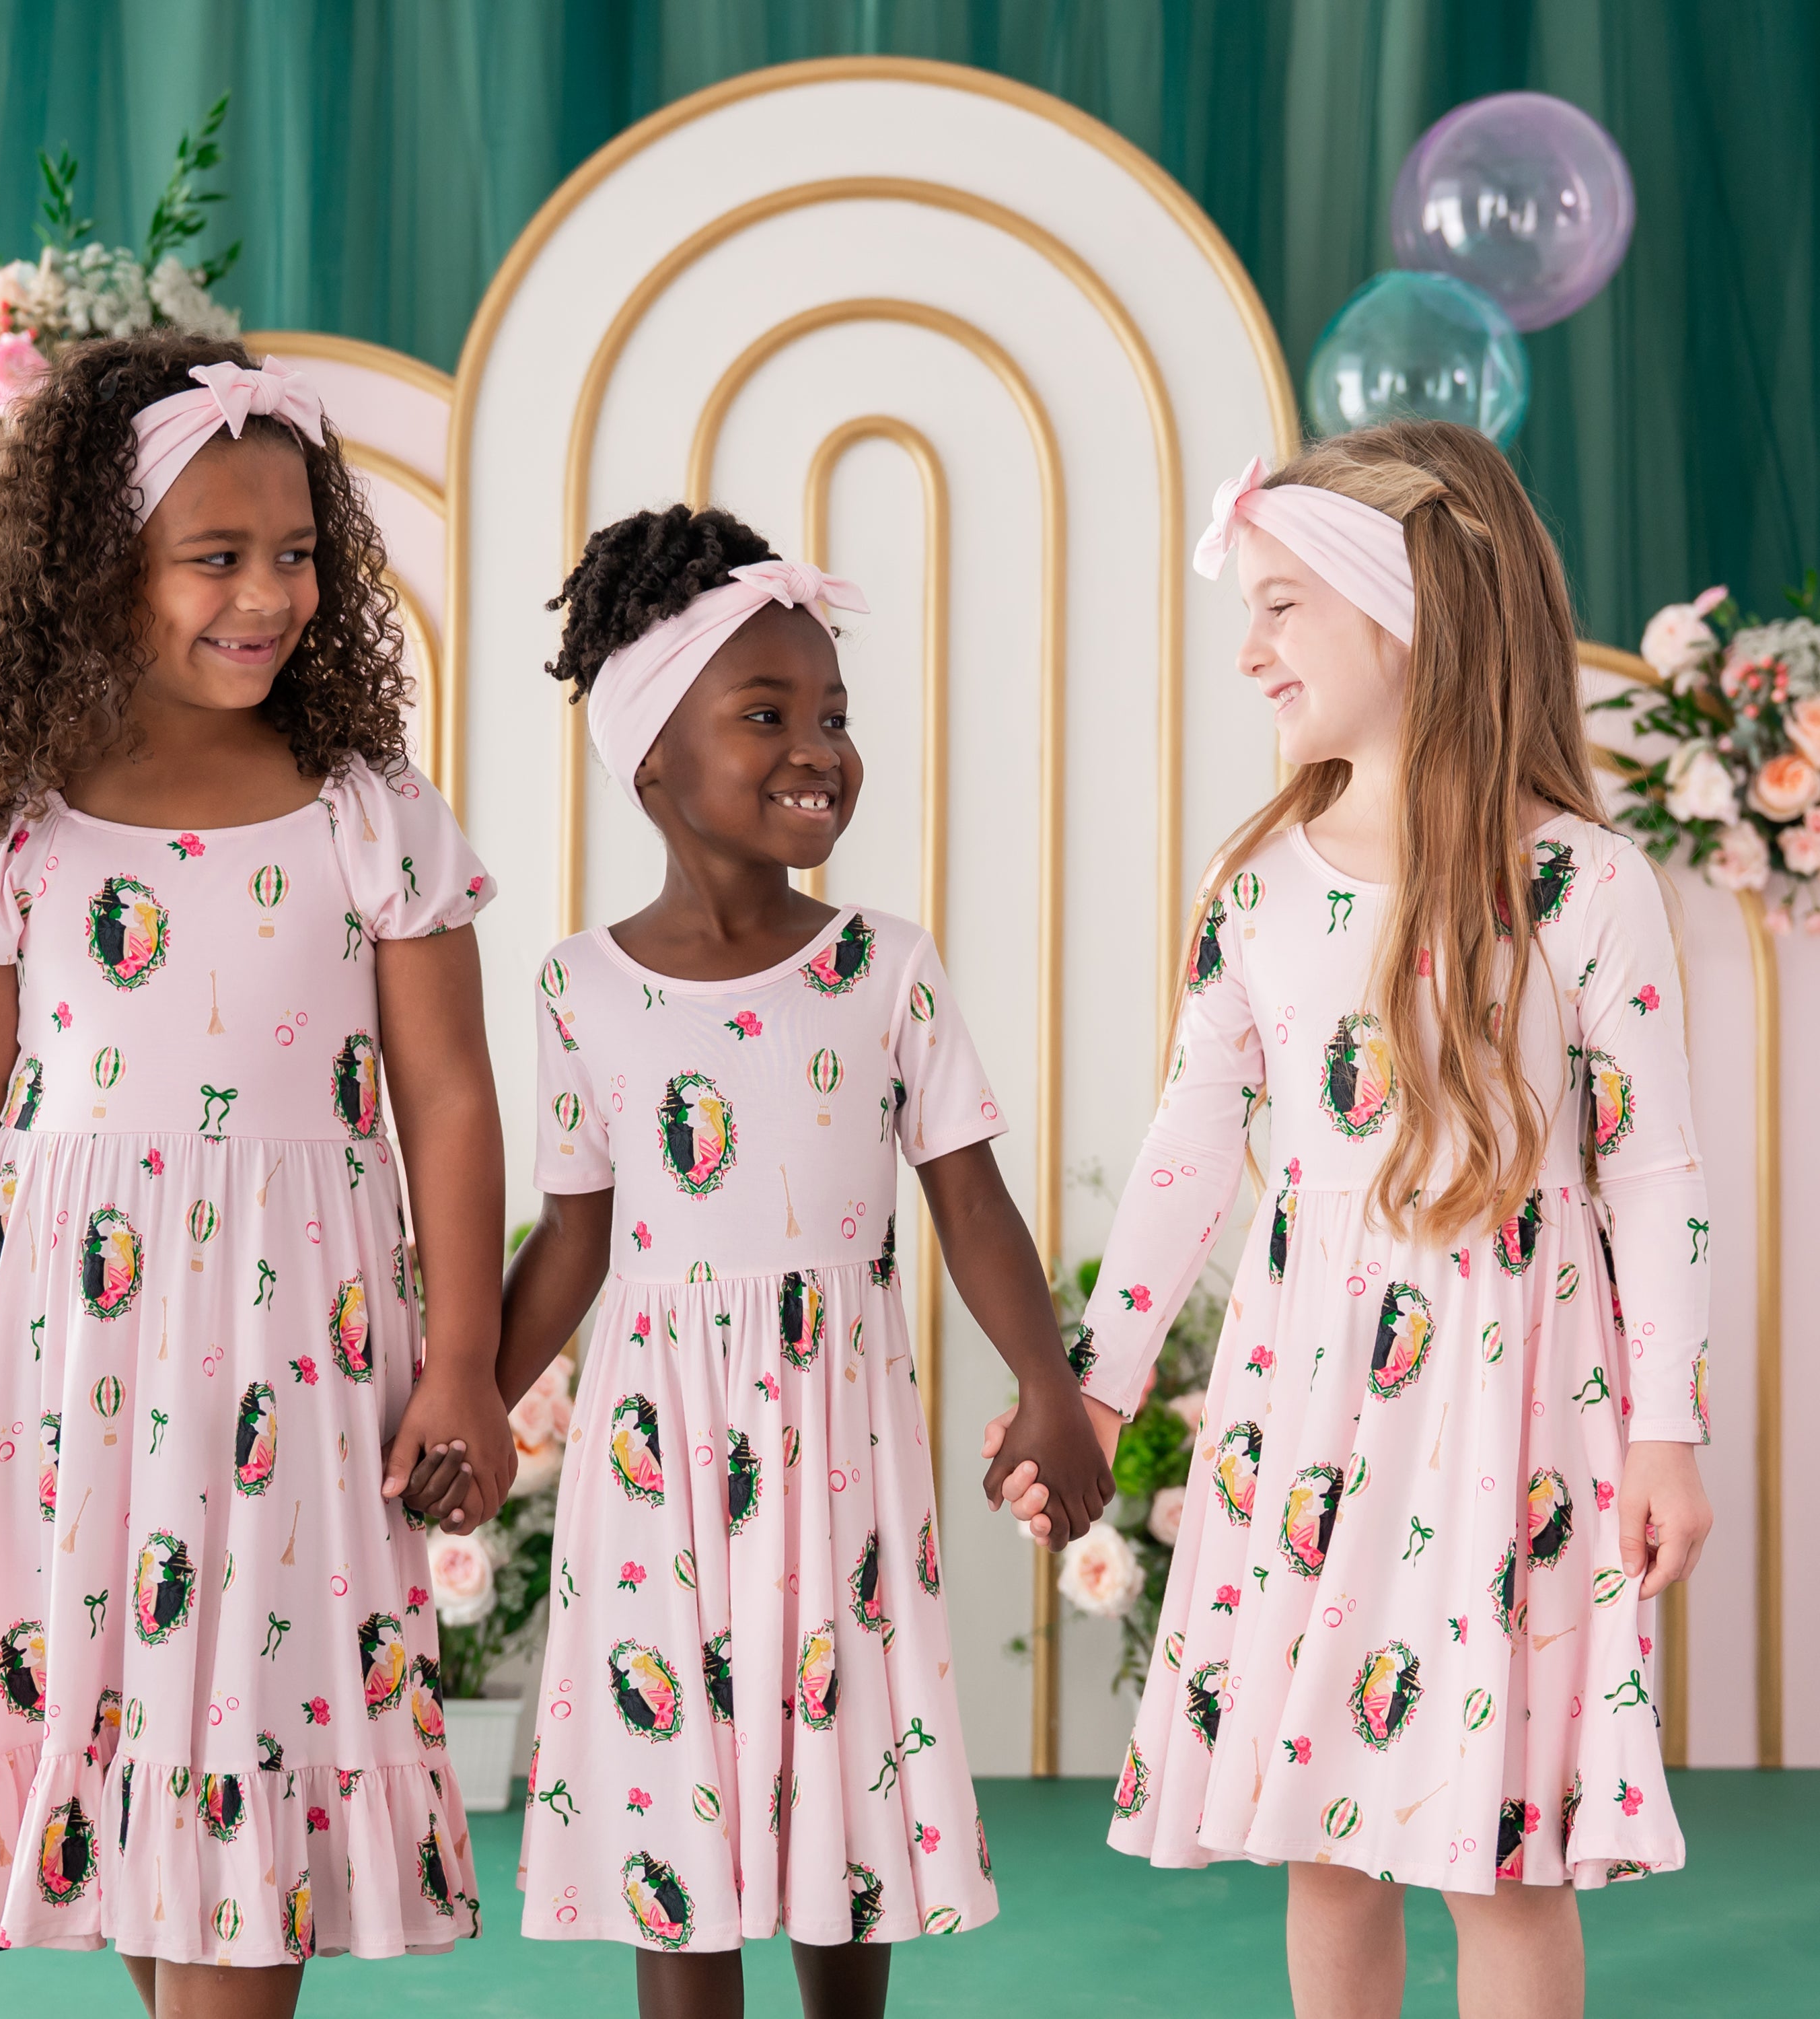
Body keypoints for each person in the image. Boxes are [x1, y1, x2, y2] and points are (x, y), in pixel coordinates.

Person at [987, 421, 1712, 2019]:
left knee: (1492, 1847)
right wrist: (1089, 1382)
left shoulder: (1583, 885)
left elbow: (1650, 1169)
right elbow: (1188, 1147)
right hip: (1309, 1404)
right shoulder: (1255, 889)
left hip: (1513, 1415)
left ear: (1413, 615)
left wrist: (1665, 1431)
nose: (1246, 651)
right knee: (1324, 1831)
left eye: (1281, 607)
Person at [0, 333, 513, 2019]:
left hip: (304, 1350)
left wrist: (472, 1365)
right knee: (138, 1756)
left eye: (296, 554)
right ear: (100, 568)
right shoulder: (14, 821)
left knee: (253, 1751)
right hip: (75, 1369)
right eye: (217, 557)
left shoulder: (369, 809)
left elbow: (450, 1096)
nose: (267, 594)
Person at [402, 504, 1111, 2018]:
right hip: (653, 1449)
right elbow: (575, 1237)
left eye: (836, 716)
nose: (821, 749)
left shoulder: (885, 966)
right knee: (680, 1801)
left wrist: (1048, 1384)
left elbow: (969, 1203)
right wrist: (468, 1394)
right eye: (769, 715)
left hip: (835, 1448)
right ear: (653, 756)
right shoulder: (579, 987)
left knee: (841, 1777)